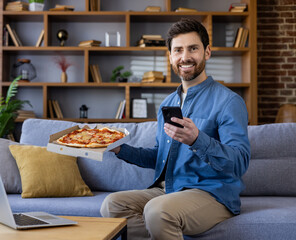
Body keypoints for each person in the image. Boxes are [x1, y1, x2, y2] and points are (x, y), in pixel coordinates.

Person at [100, 18, 250, 240]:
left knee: (158, 211)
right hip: (170, 189)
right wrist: (118, 148)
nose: (185, 57)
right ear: (170, 56)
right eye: (178, 50)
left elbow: (239, 162)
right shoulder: (168, 103)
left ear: (207, 52)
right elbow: (159, 157)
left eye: (193, 49)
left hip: (211, 193)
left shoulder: (229, 101)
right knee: (112, 205)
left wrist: (197, 139)